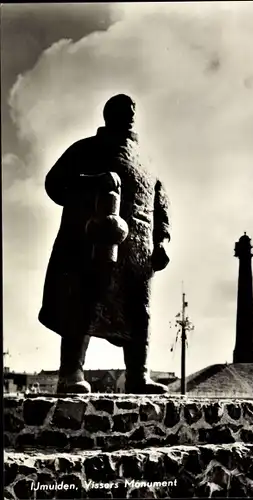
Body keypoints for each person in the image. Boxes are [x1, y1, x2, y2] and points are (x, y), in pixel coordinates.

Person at [38, 94, 171, 394]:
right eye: (124, 111)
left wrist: (162, 242)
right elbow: (55, 184)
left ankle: (138, 376)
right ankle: (71, 373)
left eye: (133, 111)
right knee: (82, 303)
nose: (130, 115)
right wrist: (94, 182)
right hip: (91, 243)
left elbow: (161, 205)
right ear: (109, 115)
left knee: (140, 313)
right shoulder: (85, 149)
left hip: (138, 255)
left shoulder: (148, 161)